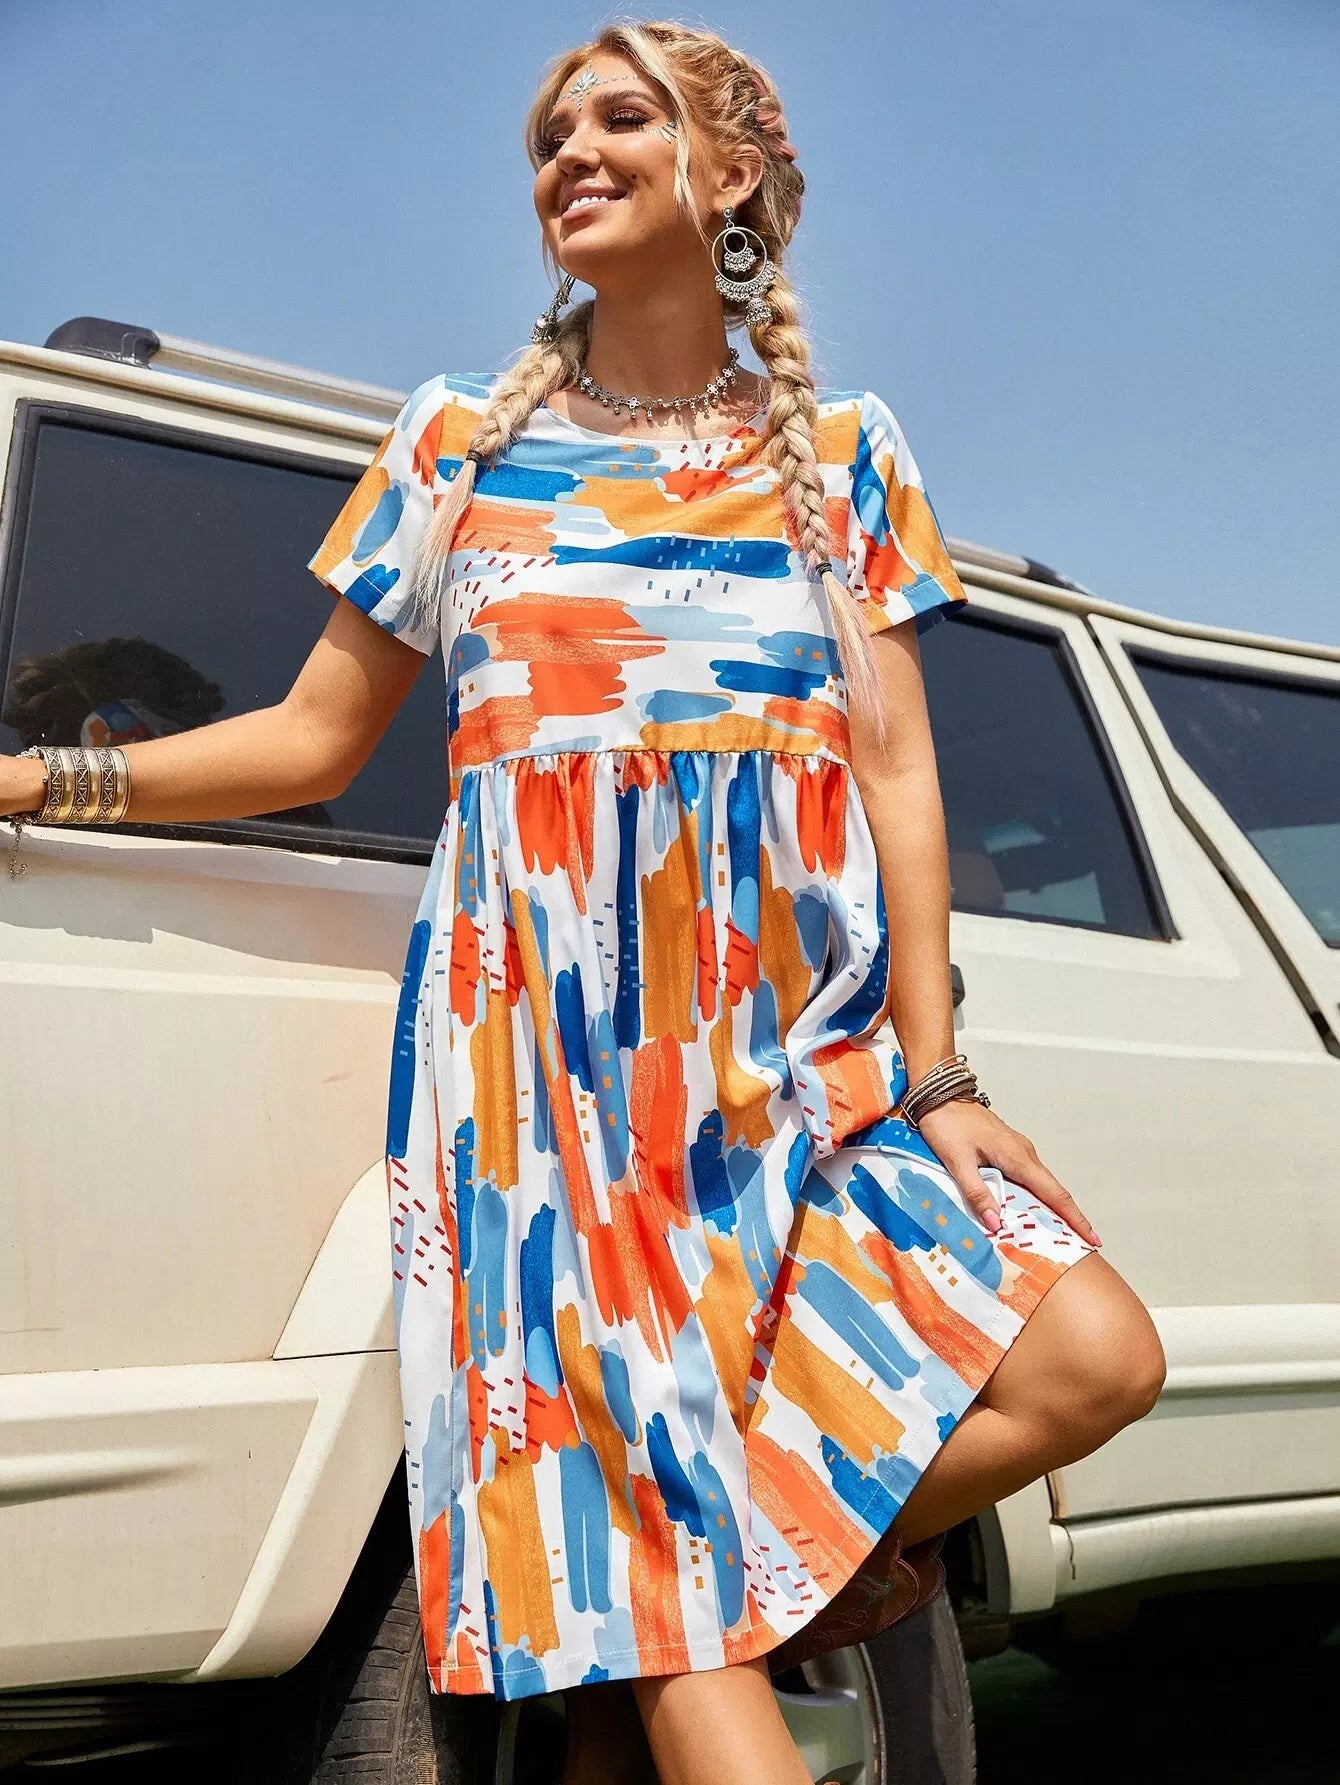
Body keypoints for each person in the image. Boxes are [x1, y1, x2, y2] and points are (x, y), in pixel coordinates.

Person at [0, 20, 1167, 1783]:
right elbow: (312, 737)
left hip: (793, 1066)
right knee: (679, 1641)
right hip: (557, 1097)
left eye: (622, 117)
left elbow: (900, 772)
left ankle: (709, 1566)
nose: (572, 152)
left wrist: (938, 1074)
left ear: (734, 174)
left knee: (1094, 1355)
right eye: (552, 134)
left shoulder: (842, 453)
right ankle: (689, 1586)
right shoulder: (455, 442)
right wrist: (40, 778)